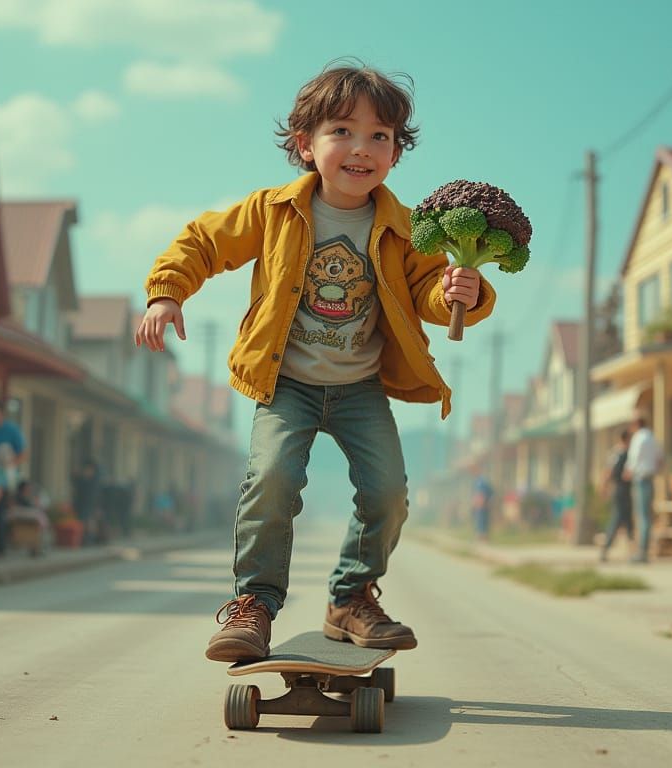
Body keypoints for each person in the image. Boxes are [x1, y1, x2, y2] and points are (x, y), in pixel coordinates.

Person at [135, 62, 495, 662]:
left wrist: (464, 292)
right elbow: (202, 240)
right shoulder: (272, 210)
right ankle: (253, 605)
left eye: (380, 136)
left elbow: (430, 294)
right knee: (272, 478)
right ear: (305, 144)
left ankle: (351, 597)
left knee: (388, 495)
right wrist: (167, 290)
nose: (361, 148)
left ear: (395, 155)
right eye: (342, 132)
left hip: (360, 386)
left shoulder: (409, 232)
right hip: (286, 384)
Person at [623, 415, 663, 564]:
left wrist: (628, 472)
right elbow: (660, 459)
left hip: (640, 479)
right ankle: (644, 550)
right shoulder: (653, 438)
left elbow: (633, 460)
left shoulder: (638, 438)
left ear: (635, 425)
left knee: (642, 517)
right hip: (650, 478)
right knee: (647, 516)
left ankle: (642, 552)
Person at [599, 429, 633, 563]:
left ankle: (632, 552)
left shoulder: (628, 453)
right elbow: (608, 471)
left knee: (629, 522)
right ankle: (605, 549)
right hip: (619, 490)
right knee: (616, 520)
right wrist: (604, 487)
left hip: (626, 491)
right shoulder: (618, 453)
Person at [470, 472, 494, 541]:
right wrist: (475, 502)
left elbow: (490, 492)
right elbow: (476, 494)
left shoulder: (482, 482)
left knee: (483, 522)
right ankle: (480, 537)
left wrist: (487, 501)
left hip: (483, 505)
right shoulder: (476, 482)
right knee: (479, 521)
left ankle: (484, 538)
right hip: (479, 505)